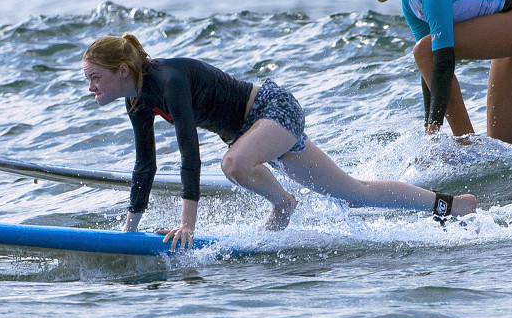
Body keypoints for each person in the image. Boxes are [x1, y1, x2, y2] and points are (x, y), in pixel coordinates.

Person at [82, 33, 477, 250]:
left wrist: (187, 226)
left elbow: (190, 156)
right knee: (353, 192)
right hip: (254, 132)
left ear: (121, 70)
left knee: (234, 164)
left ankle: (284, 204)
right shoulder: (136, 101)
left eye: (94, 77)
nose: (90, 87)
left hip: (273, 108)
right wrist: (128, 234)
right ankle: (452, 205)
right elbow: (144, 168)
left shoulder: (169, 80)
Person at [362, 0, 512, 145]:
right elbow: (428, 68)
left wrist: (433, 128)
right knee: (506, 142)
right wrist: (429, 125)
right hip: (507, 23)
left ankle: (467, 146)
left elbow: (442, 60)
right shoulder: (410, 3)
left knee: (424, 50)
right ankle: (472, 149)